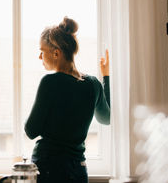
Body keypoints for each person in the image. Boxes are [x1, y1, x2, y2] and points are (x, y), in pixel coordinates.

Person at [24, 17, 110, 183]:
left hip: (49, 167)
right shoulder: (93, 84)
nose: (39, 57)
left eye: (42, 51)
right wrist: (106, 76)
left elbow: (31, 130)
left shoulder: (49, 82)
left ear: (56, 53)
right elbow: (106, 118)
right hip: (78, 169)